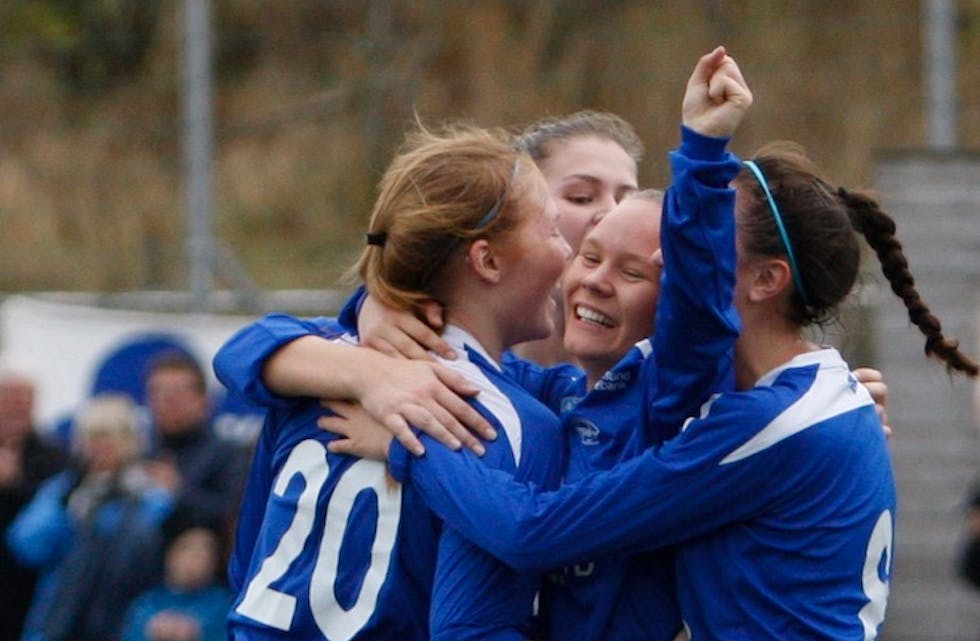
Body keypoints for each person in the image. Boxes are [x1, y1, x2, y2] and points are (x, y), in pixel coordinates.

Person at [364, 114, 980, 641]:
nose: (673, 250)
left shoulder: (771, 425)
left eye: (702, 233)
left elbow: (532, 533)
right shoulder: (785, 402)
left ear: (765, 281)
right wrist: (383, 306)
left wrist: (406, 442)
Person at [220, 122, 572, 641]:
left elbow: (244, 569)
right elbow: (474, 628)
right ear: (487, 260)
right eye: (554, 230)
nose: (567, 251)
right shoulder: (505, 420)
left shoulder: (315, 375)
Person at [8, 393, 176, 641]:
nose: (99, 447)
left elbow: (148, 559)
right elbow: (27, 547)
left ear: (129, 440)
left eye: (108, 437)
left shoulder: (150, 496)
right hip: (57, 624)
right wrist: (66, 504)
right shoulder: (63, 490)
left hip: (123, 624)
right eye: (91, 438)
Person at [0, 355, 69, 641]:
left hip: (23, 580)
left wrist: (14, 484)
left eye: (24, 399)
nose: (17, 405)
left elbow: (57, 507)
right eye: (10, 398)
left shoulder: (53, 454)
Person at [142, 351, 247, 532]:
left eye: (177, 393)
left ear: (204, 401)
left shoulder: (228, 454)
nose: (166, 401)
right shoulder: (141, 450)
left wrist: (177, 493)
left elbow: (229, 513)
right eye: (157, 391)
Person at [120, 511, 234, 641]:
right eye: (187, 548)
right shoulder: (146, 604)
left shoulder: (224, 607)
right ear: (170, 553)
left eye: (206, 550)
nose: (197, 558)